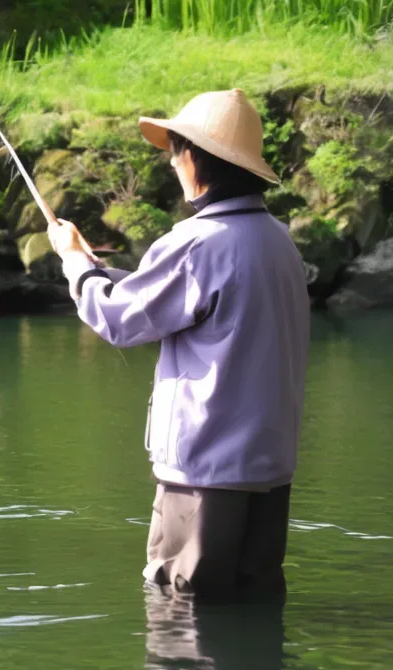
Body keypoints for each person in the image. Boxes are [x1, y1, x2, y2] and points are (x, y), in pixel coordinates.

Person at [47, 89, 310, 600]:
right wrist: (97, 267)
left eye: (175, 150)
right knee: (253, 604)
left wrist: (74, 262)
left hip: (204, 475)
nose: (171, 161)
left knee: (185, 618)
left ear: (197, 160)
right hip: (271, 471)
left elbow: (118, 320)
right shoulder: (279, 241)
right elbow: (177, 296)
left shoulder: (195, 243)